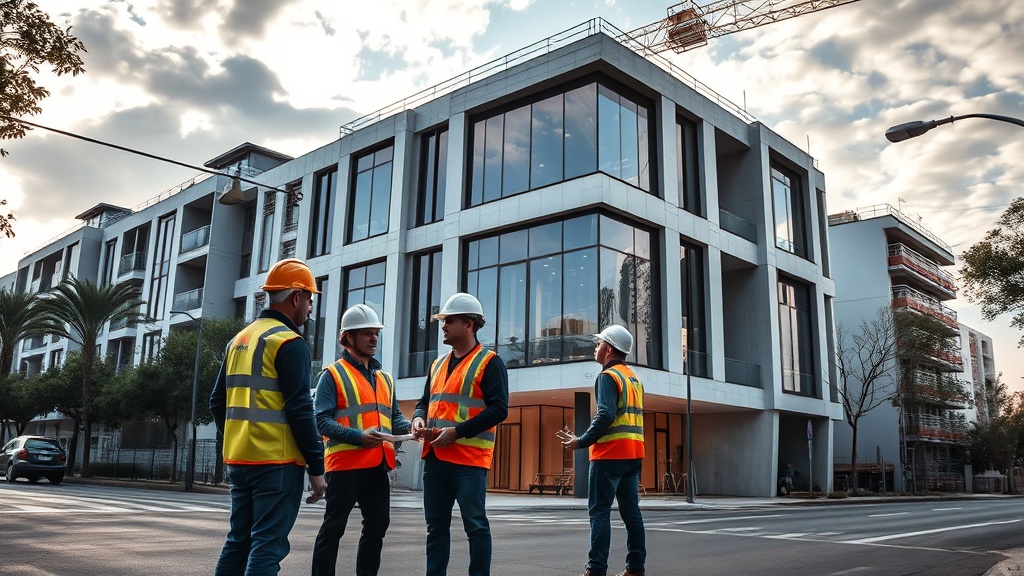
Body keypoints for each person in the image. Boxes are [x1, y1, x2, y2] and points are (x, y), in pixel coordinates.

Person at [210, 258, 327, 576]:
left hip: (239, 460)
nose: (310, 307)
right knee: (267, 546)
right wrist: (317, 469)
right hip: (277, 463)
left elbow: (216, 401)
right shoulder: (290, 343)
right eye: (310, 299)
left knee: (237, 543)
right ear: (296, 298)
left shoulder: (238, 341)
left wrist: (238, 439)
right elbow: (301, 411)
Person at [410, 292, 509, 576]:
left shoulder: (490, 362)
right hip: (435, 459)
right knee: (435, 527)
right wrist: (417, 418)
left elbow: (499, 409)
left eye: (448, 321)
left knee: (475, 526)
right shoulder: (438, 364)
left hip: (469, 461)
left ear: (468, 324)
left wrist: (458, 432)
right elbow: (423, 401)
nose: (442, 326)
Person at [311, 304, 411, 576]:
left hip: (378, 465)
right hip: (345, 466)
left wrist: (413, 428)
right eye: (367, 333)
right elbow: (321, 420)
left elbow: (395, 417)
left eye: (376, 333)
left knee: (378, 527)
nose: (374, 339)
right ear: (349, 337)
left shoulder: (385, 378)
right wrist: (358, 437)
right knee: (333, 529)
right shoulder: (332, 375)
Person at [562, 324, 646, 576]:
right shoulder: (633, 379)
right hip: (633, 456)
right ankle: (635, 568)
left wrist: (581, 441)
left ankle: (596, 569)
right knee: (632, 514)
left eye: (598, 344)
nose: (595, 348)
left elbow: (606, 413)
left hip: (609, 456)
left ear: (608, 349)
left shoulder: (607, 377)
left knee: (599, 513)